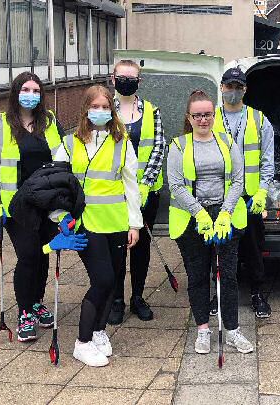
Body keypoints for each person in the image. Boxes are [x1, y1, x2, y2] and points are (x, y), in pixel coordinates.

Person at [53, 85, 142, 367]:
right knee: (102, 280)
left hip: (116, 221)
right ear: (86, 109)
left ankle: (99, 330)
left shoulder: (121, 141)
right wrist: (60, 219)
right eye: (96, 106)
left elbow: (131, 185)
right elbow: (55, 187)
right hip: (85, 224)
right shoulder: (68, 144)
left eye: (106, 107)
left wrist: (135, 224)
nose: (101, 112)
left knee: (114, 280)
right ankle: (83, 341)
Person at [168, 89, 254, 355]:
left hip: (225, 216)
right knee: (197, 276)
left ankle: (232, 330)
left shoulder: (228, 142)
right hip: (192, 219)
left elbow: (238, 180)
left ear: (213, 115)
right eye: (197, 115)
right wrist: (200, 214)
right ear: (189, 117)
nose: (203, 120)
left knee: (227, 275)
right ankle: (203, 330)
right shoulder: (179, 146)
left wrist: (225, 213)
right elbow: (175, 185)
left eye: (207, 114)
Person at [0, 71, 65, 342]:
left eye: (36, 90)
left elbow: (63, 159)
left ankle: (38, 302)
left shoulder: (50, 122)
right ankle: (25, 312)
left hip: (47, 203)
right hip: (16, 206)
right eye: (25, 89)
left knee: (43, 254)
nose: (31, 95)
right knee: (28, 256)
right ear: (15, 92)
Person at [211, 67, 274, 318]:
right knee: (219, 249)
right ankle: (219, 294)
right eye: (229, 87)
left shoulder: (260, 120)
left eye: (238, 87)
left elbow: (267, 161)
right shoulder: (209, 117)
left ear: (245, 89)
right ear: (222, 88)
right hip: (219, 196)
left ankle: (258, 294)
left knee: (253, 250)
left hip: (249, 198)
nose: (233, 92)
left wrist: (262, 192)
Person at [107, 59, 166, 324]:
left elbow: (158, 148)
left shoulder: (152, 111)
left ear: (139, 82)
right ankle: (116, 299)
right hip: (114, 194)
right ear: (113, 78)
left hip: (146, 193)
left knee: (140, 247)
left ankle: (138, 297)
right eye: (123, 77)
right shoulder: (104, 109)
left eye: (132, 78)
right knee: (117, 247)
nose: (127, 82)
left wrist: (144, 184)